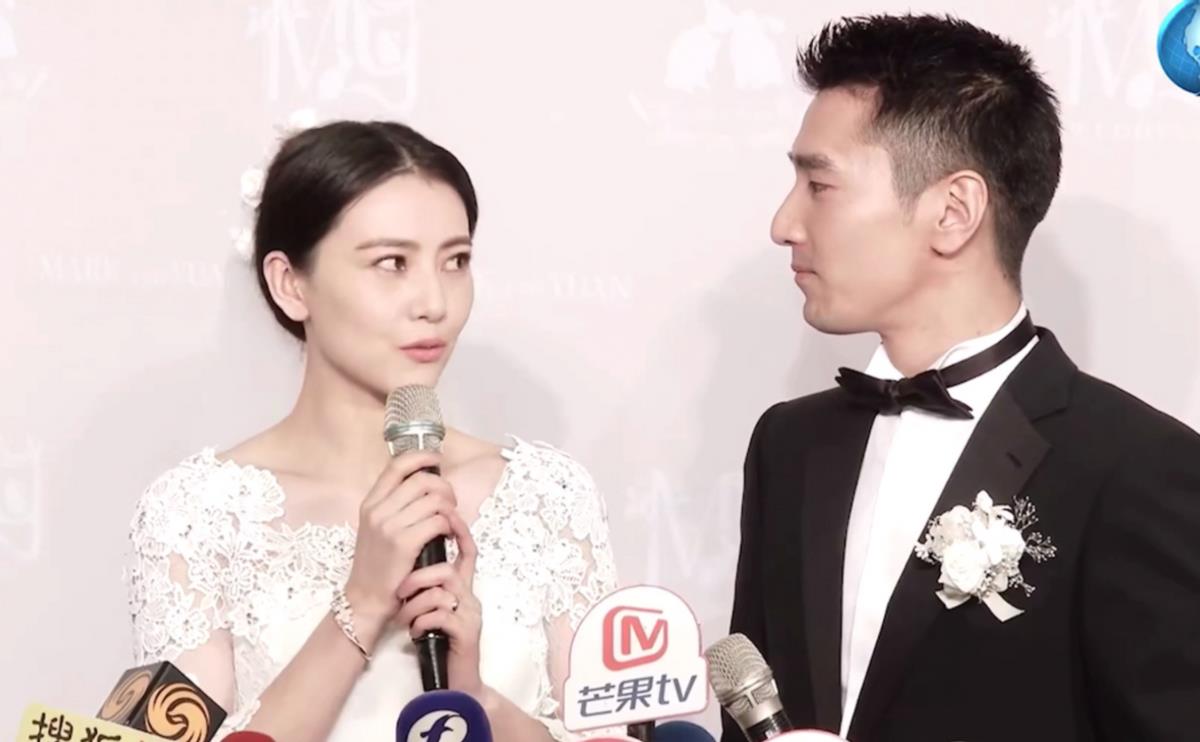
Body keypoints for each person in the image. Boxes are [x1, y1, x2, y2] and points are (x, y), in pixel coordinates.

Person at [723, 14, 1200, 742]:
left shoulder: (1138, 469)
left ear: (954, 212)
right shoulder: (788, 444)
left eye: (819, 185)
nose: (783, 223)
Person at [125, 121, 618, 742]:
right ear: (290, 284)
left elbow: (611, 733)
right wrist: (360, 603)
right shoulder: (194, 515)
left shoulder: (549, 496)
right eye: (392, 263)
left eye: (456, 261)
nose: (434, 302)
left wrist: (477, 700)